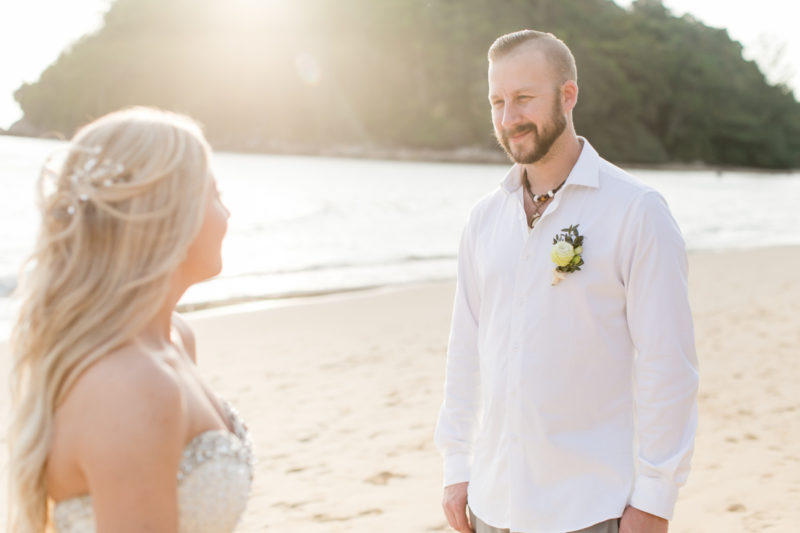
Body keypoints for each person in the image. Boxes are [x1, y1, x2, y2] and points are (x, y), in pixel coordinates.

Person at [435, 30, 698, 533]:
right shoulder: (484, 220)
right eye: (497, 101)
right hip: (492, 505)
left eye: (524, 99)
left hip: (590, 509)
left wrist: (656, 500)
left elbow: (670, 367)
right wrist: (456, 465)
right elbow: (465, 351)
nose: (509, 118)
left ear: (568, 95)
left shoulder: (637, 212)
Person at [7, 107, 251, 533]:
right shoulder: (133, 384)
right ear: (166, 216)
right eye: (214, 194)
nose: (228, 214)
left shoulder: (176, 339)